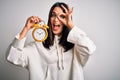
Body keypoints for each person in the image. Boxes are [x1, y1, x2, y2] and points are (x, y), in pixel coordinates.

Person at [7, 2, 96, 80]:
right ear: (49, 18)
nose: (56, 19)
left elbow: (89, 48)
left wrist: (70, 25)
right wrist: (26, 28)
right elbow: (13, 57)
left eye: (62, 16)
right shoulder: (38, 46)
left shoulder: (77, 46)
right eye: (53, 15)